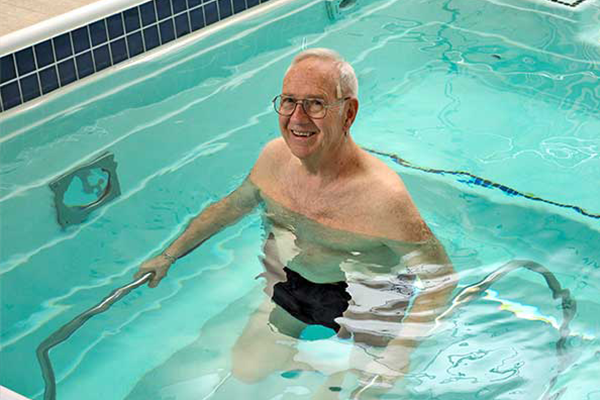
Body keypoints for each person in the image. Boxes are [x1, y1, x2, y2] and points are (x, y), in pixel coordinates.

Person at [135, 48, 457, 399]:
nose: (297, 118)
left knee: (352, 393)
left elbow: (440, 279)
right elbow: (228, 208)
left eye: (316, 104)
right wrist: (168, 256)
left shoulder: (382, 197)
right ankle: (309, 363)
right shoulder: (274, 158)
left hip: (371, 298)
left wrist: (401, 350)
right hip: (298, 282)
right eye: (289, 101)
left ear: (348, 113)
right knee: (246, 369)